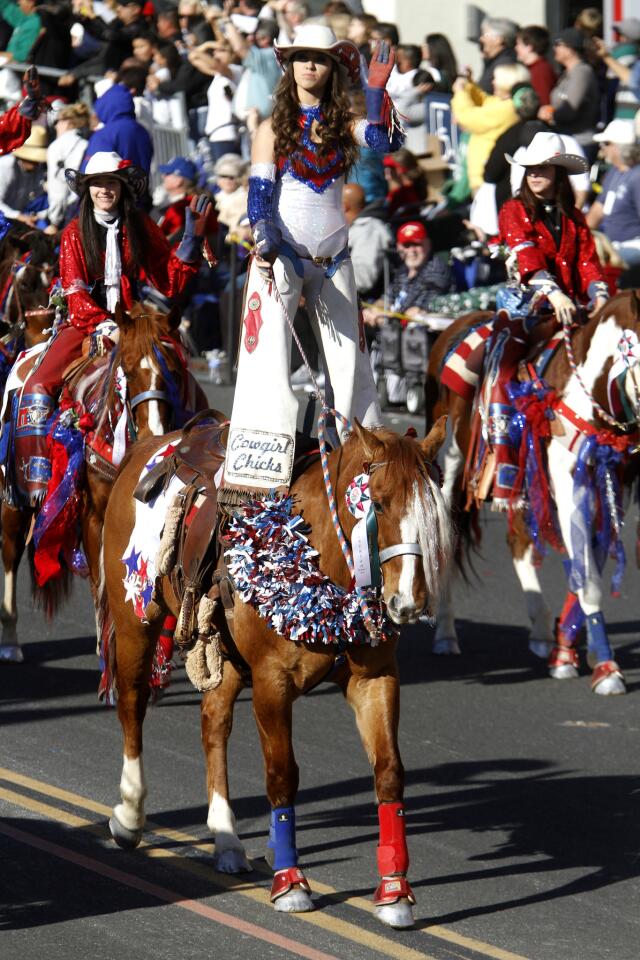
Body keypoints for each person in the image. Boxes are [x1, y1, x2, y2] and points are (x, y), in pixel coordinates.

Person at [221, 25, 402, 500]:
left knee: (350, 364)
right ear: (289, 66)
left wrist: (376, 93)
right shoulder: (272, 127)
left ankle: (361, 455)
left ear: (332, 70)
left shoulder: (344, 122)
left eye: (320, 59)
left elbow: (385, 144)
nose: (310, 66)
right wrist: (264, 238)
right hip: (280, 256)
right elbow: (258, 199)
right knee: (269, 360)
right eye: (302, 57)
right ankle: (260, 463)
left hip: (335, 257)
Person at [13, 151, 212, 505]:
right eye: (98, 183)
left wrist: (190, 244)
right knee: (39, 383)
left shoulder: (139, 224)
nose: (105, 189)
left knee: (183, 379)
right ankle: (36, 479)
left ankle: (198, 463)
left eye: (112, 183)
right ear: (87, 189)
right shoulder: (74, 232)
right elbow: (73, 289)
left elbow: (168, 279)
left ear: (121, 187)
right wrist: (103, 323)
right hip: (86, 322)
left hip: (134, 319)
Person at [470, 132, 609, 508]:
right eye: (530, 169)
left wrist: (599, 295)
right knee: (502, 372)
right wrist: (554, 292)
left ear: (557, 174)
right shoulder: (513, 210)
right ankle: (503, 469)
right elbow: (526, 254)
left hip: (572, 309)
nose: (534, 175)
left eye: (542, 169)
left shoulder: (574, 217)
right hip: (527, 309)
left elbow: (587, 261)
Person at [452, 63, 530, 194]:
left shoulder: (507, 108)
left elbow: (467, 117)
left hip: (487, 181)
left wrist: (459, 92)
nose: (492, 82)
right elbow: (484, 100)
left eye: (496, 79)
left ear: (506, 82)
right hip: (484, 178)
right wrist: (468, 84)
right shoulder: (503, 102)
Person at [586, 119, 640, 266]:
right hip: (610, 243)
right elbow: (598, 209)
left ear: (619, 147)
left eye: (606, 144)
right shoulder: (614, 172)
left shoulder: (637, 176)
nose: (602, 149)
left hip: (631, 245)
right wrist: (581, 233)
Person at [541, 29, 599, 150]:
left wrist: (549, 114)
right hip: (566, 138)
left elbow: (569, 110)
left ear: (571, 47)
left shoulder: (582, 72)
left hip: (580, 142)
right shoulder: (567, 73)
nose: (554, 49)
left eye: (558, 44)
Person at [83, 82, 153, 174]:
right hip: (140, 186)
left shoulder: (104, 135)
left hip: (112, 187)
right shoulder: (143, 131)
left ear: (105, 106)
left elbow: (91, 172)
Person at [46, 102, 91, 232]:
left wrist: (54, 222)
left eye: (56, 122)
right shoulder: (87, 143)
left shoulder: (56, 147)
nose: (55, 127)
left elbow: (58, 191)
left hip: (67, 216)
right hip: (86, 209)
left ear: (66, 122)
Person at [0, 125, 47, 226]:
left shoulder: (37, 170)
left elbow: (38, 195)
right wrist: (20, 216)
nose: (36, 163)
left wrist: (38, 216)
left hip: (15, 218)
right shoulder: (5, 166)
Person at [515, 25, 557, 105]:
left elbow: (544, 102)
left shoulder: (540, 71)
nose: (516, 48)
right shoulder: (532, 68)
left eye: (518, 44)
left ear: (529, 47)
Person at [476, 17, 518, 94]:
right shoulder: (496, 61)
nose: (481, 39)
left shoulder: (504, 65)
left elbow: (484, 91)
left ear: (498, 40)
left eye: (484, 35)